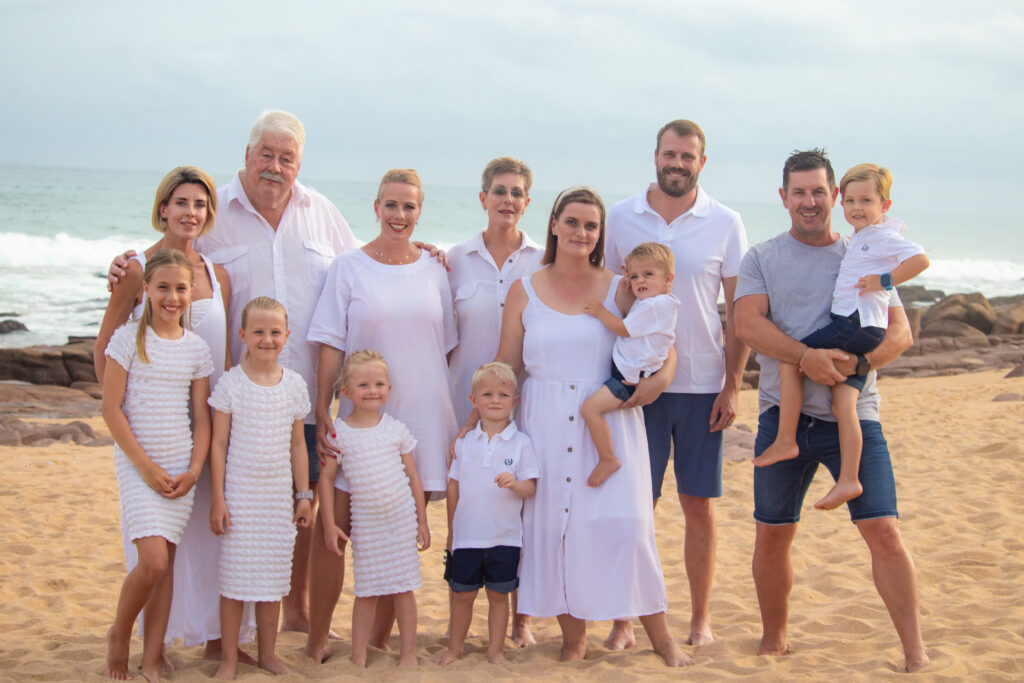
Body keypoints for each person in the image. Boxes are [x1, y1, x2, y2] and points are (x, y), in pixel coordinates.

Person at [107, 110, 359, 634]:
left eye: (286, 158)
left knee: (299, 495)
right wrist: (123, 264)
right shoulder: (216, 212)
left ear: (299, 164)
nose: (274, 166)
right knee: (233, 510)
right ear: (247, 156)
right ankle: (218, 627)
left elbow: (361, 269)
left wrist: (424, 255)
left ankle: (295, 611)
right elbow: (167, 264)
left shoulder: (322, 212)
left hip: (304, 390)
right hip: (229, 396)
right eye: (265, 154)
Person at [734, 149, 928, 672]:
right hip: (783, 418)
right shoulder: (762, 257)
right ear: (783, 198)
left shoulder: (863, 249)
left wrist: (854, 364)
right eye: (799, 192)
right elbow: (747, 325)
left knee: (884, 530)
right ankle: (774, 639)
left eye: (819, 191)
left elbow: (901, 333)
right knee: (772, 533)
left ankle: (915, 650)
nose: (810, 201)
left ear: (835, 197)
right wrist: (804, 357)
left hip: (856, 418)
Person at [483, 186, 691, 666]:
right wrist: (478, 422)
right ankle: (574, 642)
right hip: (544, 425)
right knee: (556, 530)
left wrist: (661, 379)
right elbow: (506, 364)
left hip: (610, 421)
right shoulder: (525, 289)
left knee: (629, 528)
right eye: (572, 221)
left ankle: (662, 640)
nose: (581, 232)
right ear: (554, 225)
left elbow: (661, 340)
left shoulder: (622, 285)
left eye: (591, 225)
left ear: (601, 234)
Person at [604, 119, 749, 647]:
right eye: (670, 154)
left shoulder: (726, 222)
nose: (678, 164)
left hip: (702, 385)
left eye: (688, 157)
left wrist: (732, 385)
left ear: (701, 163)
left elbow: (739, 313)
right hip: (637, 386)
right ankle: (624, 619)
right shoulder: (620, 217)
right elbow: (603, 293)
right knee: (635, 502)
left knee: (698, 504)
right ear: (656, 156)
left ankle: (699, 620)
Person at [94, 166, 246, 663]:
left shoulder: (217, 275)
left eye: (200, 205)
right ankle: (141, 642)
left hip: (203, 432)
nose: (190, 213)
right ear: (163, 208)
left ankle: (210, 640)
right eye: (181, 203)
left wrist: (220, 431)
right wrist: (131, 412)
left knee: (209, 540)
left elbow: (223, 358)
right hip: (149, 431)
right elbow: (106, 348)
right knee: (157, 553)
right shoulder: (137, 268)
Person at [305, 169, 456, 662]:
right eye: (391, 205)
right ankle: (318, 636)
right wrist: (324, 405)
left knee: (394, 534)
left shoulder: (436, 269)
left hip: (420, 421)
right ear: (375, 208)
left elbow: (445, 347)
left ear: (420, 211)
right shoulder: (348, 267)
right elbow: (330, 342)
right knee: (337, 532)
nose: (400, 215)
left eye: (409, 207)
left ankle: (376, 640)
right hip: (356, 424)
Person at [753, 163, 929, 510]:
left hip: (855, 324)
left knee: (793, 359)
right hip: (862, 326)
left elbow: (919, 260)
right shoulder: (860, 241)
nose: (856, 208)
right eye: (851, 201)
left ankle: (786, 439)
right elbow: (747, 325)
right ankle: (849, 479)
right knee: (843, 403)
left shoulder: (877, 238)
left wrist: (885, 281)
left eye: (865, 200)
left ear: (885, 206)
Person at [101, 249, 213, 682]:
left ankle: (151, 657)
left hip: (180, 464)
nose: (172, 297)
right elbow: (112, 410)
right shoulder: (128, 339)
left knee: (165, 564)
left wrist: (194, 469)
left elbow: (201, 417)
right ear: (145, 289)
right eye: (163, 287)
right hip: (137, 462)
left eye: (180, 288)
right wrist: (144, 466)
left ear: (191, 293)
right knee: (151, 562)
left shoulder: (197, 349)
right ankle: (119, 634)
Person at [445, 156, 543, 646]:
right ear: (482, 198)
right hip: (467, 410)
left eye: (517, 193)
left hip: (527, 407)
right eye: (499, 191)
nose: (508, 200)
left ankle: (521, 620)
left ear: (527, 203)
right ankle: (457, 621)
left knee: (517, 508)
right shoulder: (453, 259)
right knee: (469, 505)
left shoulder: (543, 260)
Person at [208, 297, 314, 679]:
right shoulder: (230, 384)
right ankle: (229, 659)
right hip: (239, 493)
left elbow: (298, 445)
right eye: (258, 332)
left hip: (276, 496)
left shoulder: (295, 385)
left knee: (272, 577)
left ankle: (268, 654)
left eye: (274, 332)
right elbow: (218, 444)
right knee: (235, 578)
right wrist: (218, 498)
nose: (266, 339)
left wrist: (303, 496)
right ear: (242, 335)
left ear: (286, 336)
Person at [317, 350, 430, 668]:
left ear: (389, 389)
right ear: (347, 391)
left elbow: (414, 477)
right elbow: (326, 481)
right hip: (366, 524)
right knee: (366, 590)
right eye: (363, 384)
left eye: (379, 383)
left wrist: (422, 521)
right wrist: (328, 523)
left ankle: (408, 653)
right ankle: (358, 656)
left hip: (401, 519)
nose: (372, 390)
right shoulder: (340, 433)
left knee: (404, 588)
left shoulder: (395, 429)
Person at [439, 362, 539, 666]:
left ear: (515, 401)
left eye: (503, 394)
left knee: (499, 597)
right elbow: (454, 487)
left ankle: (495, 651)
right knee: (463, 597)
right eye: (487, 394)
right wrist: (452, 531)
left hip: (505, 538)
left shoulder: (522, 443)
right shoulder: (465, 443)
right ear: (473, 400)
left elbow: (531, 488)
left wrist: (515, 484)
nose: (495, 400)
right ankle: (455, 649)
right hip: (467, 537)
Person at [582, 242, 679, 487]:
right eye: (634, 276)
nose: (639, 281)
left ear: (668, 279)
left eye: (648, 274)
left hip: (629, 379)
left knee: (590, 410)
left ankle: (607, 458)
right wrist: (632, 285)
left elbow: (623, 328)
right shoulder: (650, 303)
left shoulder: (657, 306)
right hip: (629, 371)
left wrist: (600, 310)